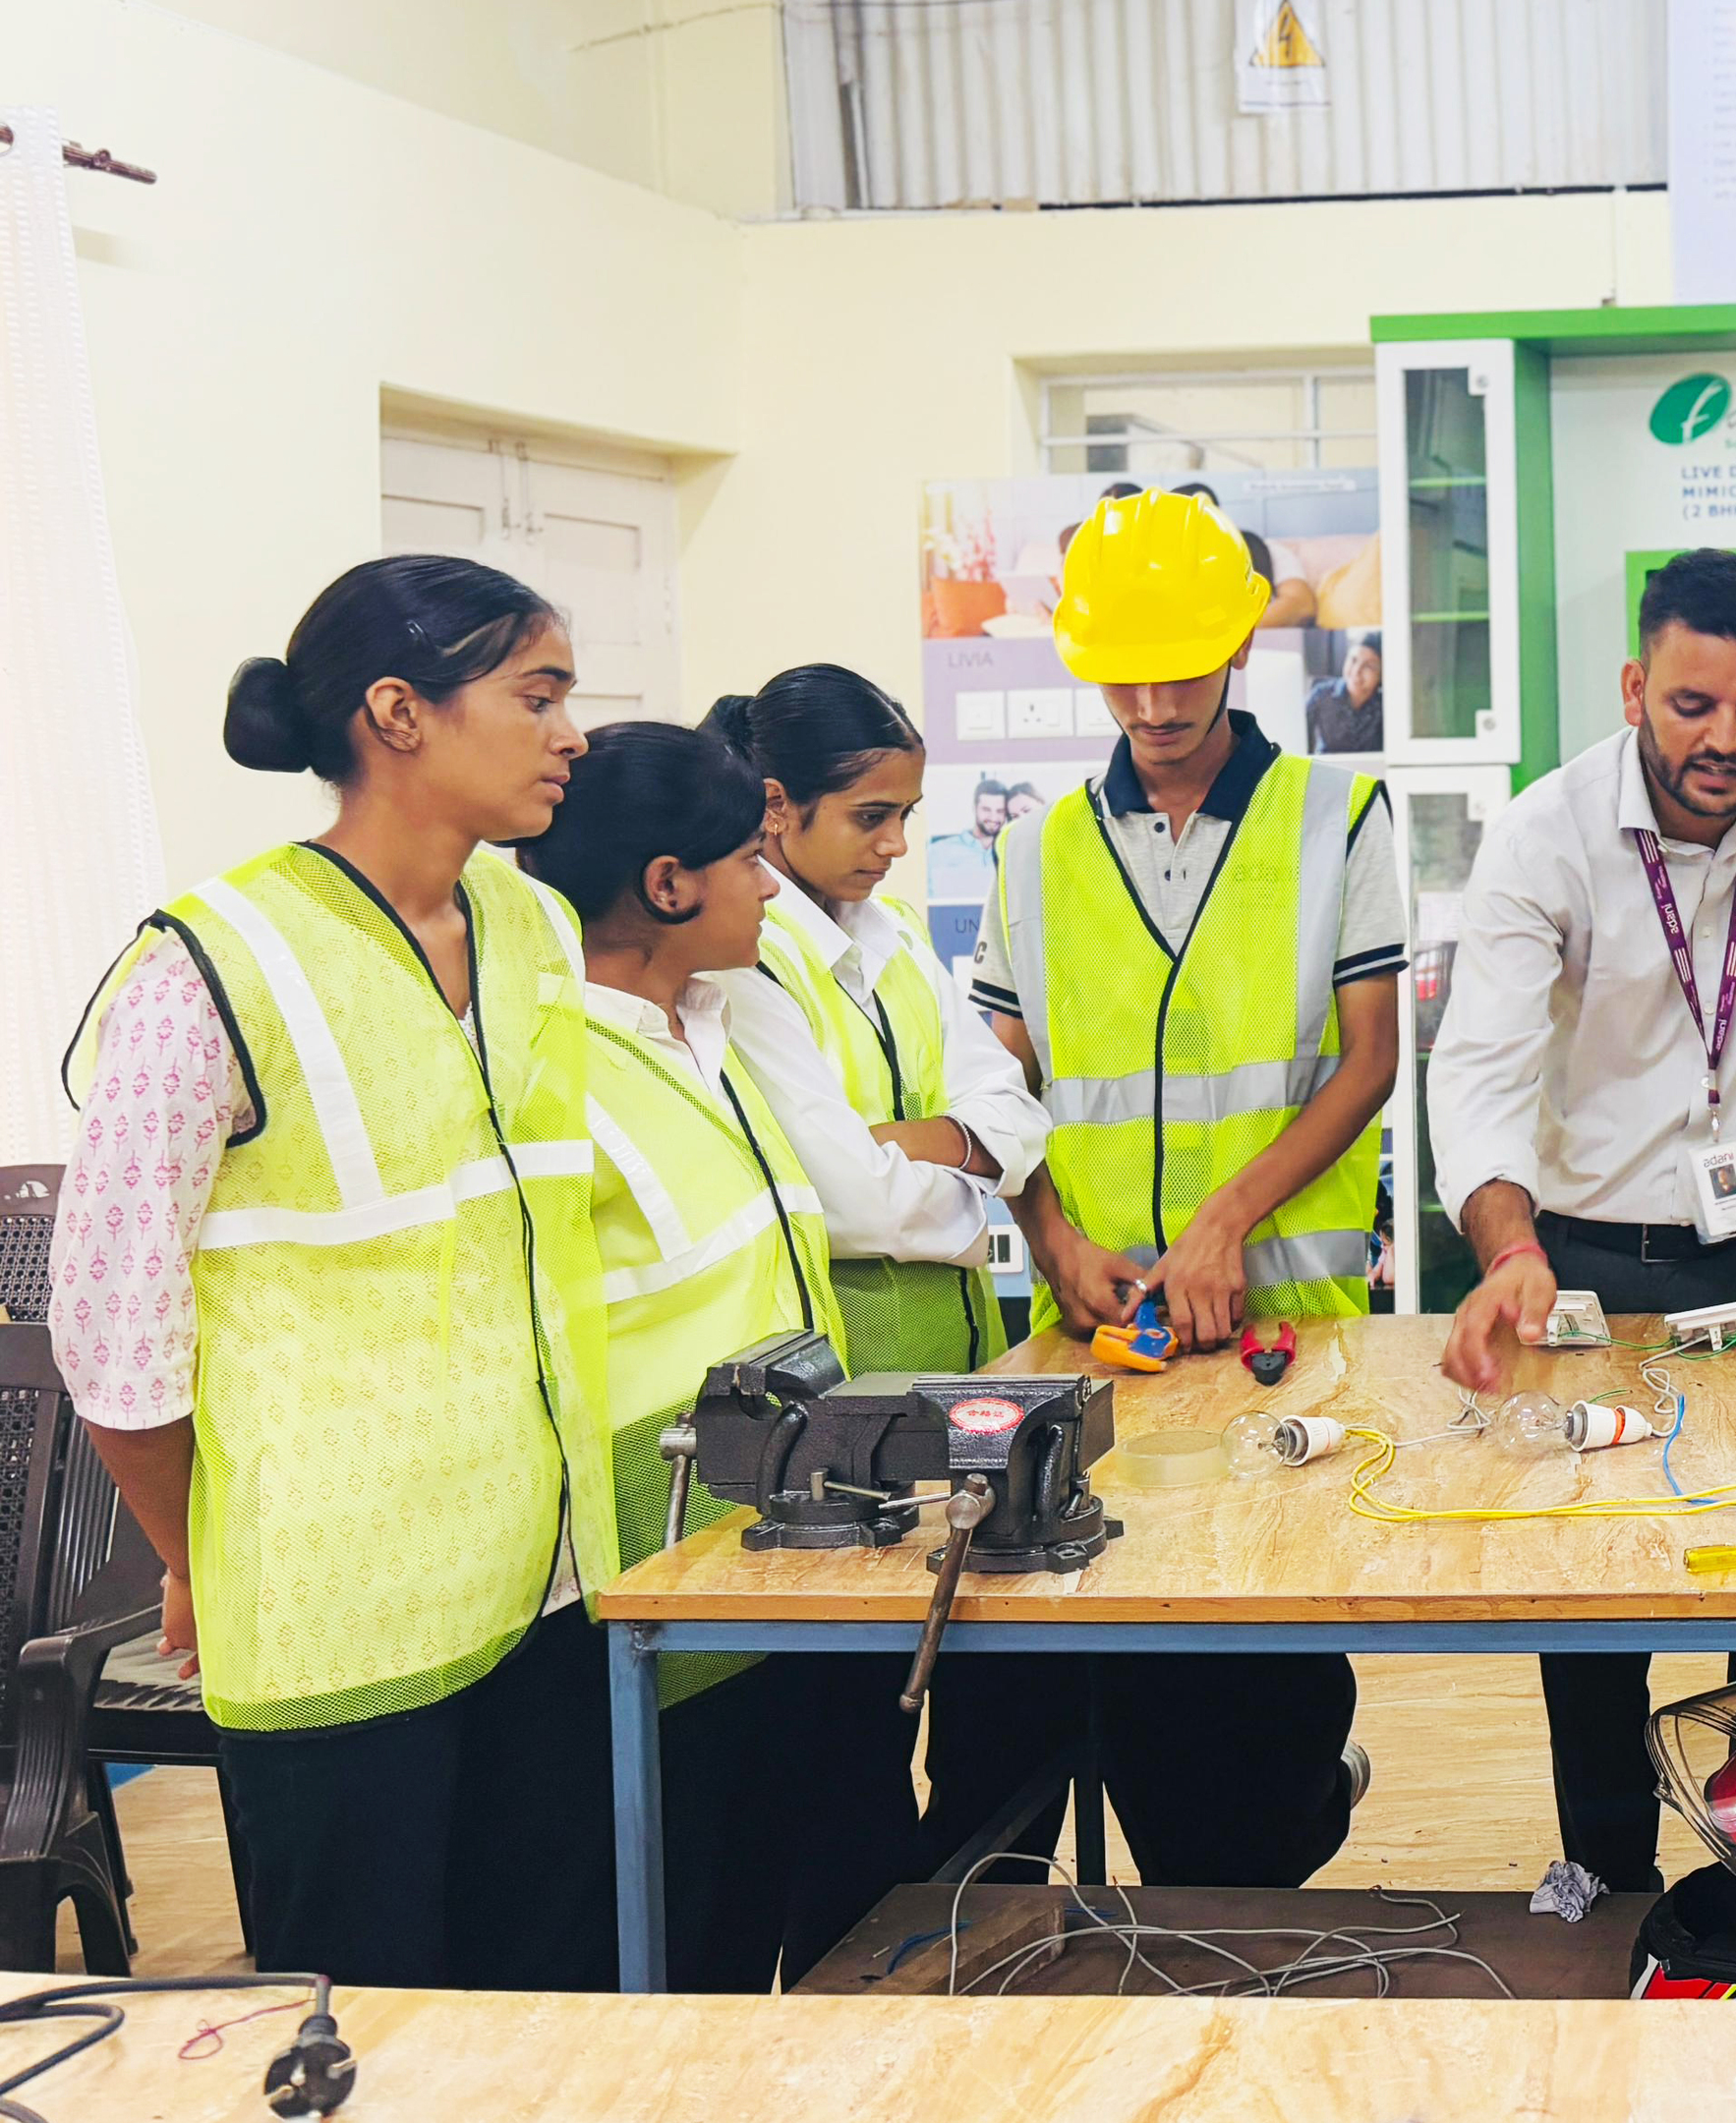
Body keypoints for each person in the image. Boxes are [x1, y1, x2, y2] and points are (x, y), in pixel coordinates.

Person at [52, 556, 613, 1987]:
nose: (574, 733)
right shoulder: (211, 966)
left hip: (551, 1585)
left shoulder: (532, 928)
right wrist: (200, 1556)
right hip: (336, 1617)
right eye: (537, 695)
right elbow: (111, 1336)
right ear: (398, 714)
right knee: (365, 2023)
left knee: (546, 2015)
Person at [1431, 548, 1736, 1897]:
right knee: (1592, 1601)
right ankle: (1608, 1888)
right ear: (1637, 683)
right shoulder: (1547, 831)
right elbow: (1480, 1064)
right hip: (1581, 1264)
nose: (1725, 741)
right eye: (1693, 705)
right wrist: (1510, 1251)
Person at [971, 487, 1388, 1886]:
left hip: (1285, 1326)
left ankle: (1287, 1849)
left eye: (1182, 666)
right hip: (1101, 1339)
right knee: (1124, 1664)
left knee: (1266, 1674)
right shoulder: (1032, 853)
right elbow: (1000, 1080)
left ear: (1237, 649)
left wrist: (1226, 1222)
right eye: (1123, 670)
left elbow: (1370, 1059)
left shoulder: (1338, 813)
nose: (1153, 700)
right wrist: (1055, 1232)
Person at [706, 663, 1042, 1943]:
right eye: (874, 818)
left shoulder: (892, 944)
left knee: (992, 1718)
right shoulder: (749, 955)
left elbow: (1017, 1116)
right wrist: (970, 1183)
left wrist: (935, 1147)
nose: (900, 847)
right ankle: (874, 1997)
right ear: (778, 809)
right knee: (847, 1751)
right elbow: (841, 1196)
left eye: (910, 815)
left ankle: (976, 1959)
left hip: (957, 1386)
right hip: (838, 1421)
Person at [511, 720, 847, 1993]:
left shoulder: (710, 1025)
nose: (770, 886)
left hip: (783, 1574)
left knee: (783, 1922)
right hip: (662, 1593)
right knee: (685, 1956)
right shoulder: (557, 1073)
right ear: (666, 886)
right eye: (747, 862)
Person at [1305, 633, 1383, 756]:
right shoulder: (1321, 695)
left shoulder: (1384, 706)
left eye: (1368, 666)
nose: (1356, 671)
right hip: (1329, 769)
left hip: (1370, 772)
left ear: (1381, 675)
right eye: (1353, 660)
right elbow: (1299, 740)